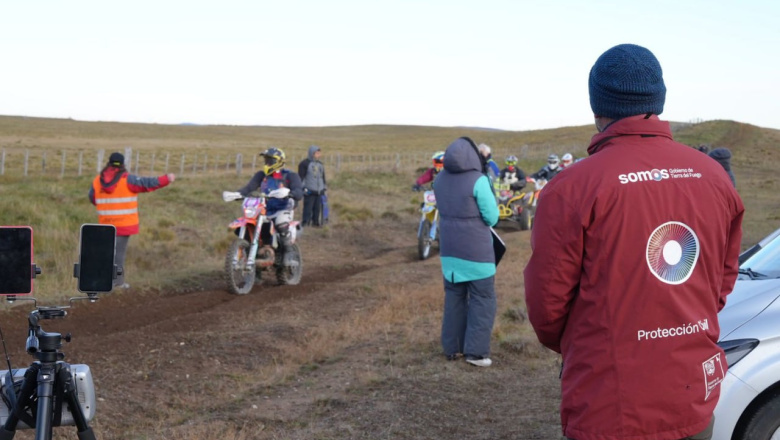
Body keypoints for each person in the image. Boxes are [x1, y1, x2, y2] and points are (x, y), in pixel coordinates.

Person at [524, 44, 744, 440]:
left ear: (597, 106)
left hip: (611, 404)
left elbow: (546, 307)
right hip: (692, 397)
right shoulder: (714, 178)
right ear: (658, 99)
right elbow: (721, 283)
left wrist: (592, 341)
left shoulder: (572, 188)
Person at [433, 137, 499, 367]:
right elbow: (492, 217)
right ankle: (476, 353)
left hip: (449, 252)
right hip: (477, 253)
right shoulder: (479, 180)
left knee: (454, 298)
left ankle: (452, 348)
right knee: (482, 300)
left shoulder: (439, 179)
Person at [88, 152, 175, 290]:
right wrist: (167, 178)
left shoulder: (97, 181)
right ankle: (118, 283)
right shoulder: (128, 179)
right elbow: (148, 184)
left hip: (105, 225)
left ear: (109, 163)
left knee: (106, 253)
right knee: (118, 255)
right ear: (122, 164)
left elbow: (93, 198)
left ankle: (101, 281)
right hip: (124, 225)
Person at [234, 147, 303, 265]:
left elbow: (299, 192)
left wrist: (290, 193)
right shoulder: (261, 175)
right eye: (266, 160)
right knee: (249, 228)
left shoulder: (290, 176)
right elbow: (249, 188)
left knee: (281, 225)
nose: (267, 163)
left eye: (270, 161)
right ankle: (254, 264)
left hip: (282, 208)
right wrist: (237, 194)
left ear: (279, 161)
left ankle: (287, 253)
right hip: (263, 209)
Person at [297, 145, 327, 226]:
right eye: (317, 153)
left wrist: (324, 187)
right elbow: (300, 178)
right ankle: (306, 222)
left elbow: (322, 177)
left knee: (317, 208)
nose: (319, 155)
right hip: (309, 190)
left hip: (319, 190)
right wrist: (304, 189)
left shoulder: (320, 164)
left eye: (319, 153)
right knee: (308, 208)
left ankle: (315, 222)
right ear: (312, 153)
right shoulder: (304, 164)